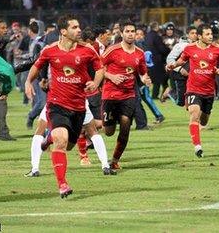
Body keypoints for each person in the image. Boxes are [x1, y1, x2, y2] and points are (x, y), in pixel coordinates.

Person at [24, 14, 104, 198]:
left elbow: (100, 69)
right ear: (63, 31)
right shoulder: (50, 50)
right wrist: (29, 82)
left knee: (68, 145)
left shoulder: (87, 50)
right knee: (61, 140)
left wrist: (95, 82)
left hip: (78, 107)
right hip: (57, 104)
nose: (79, 30)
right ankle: (62, 184)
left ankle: (48, 139)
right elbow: (37, 66)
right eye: (74, 27)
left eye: (79, 27)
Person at [167, 24, 219, 157]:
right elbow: (181, 60)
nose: (211, 36)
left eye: (211, 34)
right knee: (194, 114)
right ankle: (197, 146)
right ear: (200, 36)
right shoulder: (189, 49)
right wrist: (173, 65)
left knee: (204, 120)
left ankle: (201, 124)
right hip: (193, 89)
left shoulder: (217, 49)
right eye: (207, 34)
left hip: (209, 91)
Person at [102, 20, 152, 170]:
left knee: (125, 128)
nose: (130, 34)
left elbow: (143, 72)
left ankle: (115, 160)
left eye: (132, 31)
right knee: (109, 131)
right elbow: (98, 68)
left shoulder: (140, 53)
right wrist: (111, 77)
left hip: (128, 95)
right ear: (122, 33)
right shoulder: (112, 50)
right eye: (127, 31)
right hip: (110, 95)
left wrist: (145, 79)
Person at [24, 101, 116, 177]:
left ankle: (49, 139)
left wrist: (31, 82)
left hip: (59, 102)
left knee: (66, 144)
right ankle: (105, 166)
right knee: (92, 132)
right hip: (77, 102)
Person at [165, 25, 198, 106]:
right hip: (179, 75)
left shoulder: (198, 46)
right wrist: (180, 69)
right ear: (187, 35)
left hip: (191, 75)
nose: (195, 35)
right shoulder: (181, 46)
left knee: (194, 98)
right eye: (192, 33)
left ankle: (194, 114)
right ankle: (169, 92)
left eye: (196, 33)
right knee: (180, 102)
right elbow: (169, 59)